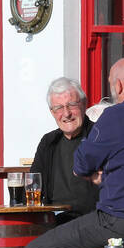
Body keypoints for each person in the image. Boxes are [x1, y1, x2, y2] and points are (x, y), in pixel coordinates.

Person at [22, 58, 124, 248]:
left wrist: (98, 174)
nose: (66, 113)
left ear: (118, 85)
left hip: (122, 222)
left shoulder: (115, 116)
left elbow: (80, 165)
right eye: (58, 108)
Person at [29, 76, 98, 219]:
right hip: (53, 219)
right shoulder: (48, 142)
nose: (66, 114)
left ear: (84, 104)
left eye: (72, 104)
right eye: (59, 107)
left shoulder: (99, 136)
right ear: (52, 112)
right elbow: (33, 183)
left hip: (90, 220)